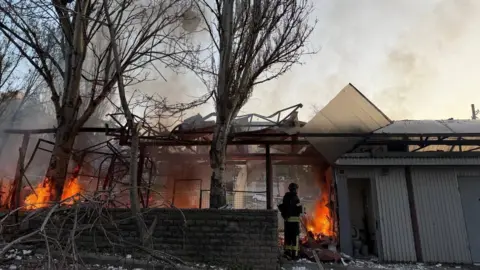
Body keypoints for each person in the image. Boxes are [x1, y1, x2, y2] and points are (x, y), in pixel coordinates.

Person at [278, 182, 303, 259]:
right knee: (295, 238)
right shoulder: (296, 198)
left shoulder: (286, 197)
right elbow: (300, 210)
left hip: (287, 222)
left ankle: (287, 253)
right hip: (295, 223)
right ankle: (294, 255)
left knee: (288, 237)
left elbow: (283, 207)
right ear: (295, 189)